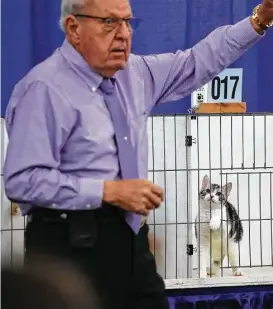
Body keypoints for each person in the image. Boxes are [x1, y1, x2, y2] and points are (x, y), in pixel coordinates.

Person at [3, 0, 273, 308]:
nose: (123, 34)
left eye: (128, 22)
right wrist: (109, 191)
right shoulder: (43, 89)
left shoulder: (137, 74)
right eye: (109, 23)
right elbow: (22, 180)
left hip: (131, 243)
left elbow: (199, 60)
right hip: (67, 251)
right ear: (73, 28)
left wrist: (258, 21)